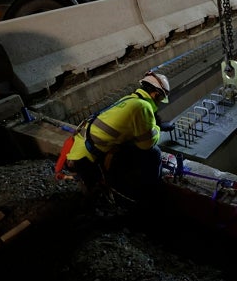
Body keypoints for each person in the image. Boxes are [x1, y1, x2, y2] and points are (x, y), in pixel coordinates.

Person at [63, 71, 175, 204]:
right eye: (161, 99)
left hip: (80, 148)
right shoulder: (142, 106)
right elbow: (146, 144)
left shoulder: (129, 99)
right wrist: (158, 128)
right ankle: (150, 194)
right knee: (154, 153)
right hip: (89, 157)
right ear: (156, 94)